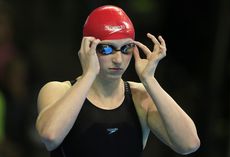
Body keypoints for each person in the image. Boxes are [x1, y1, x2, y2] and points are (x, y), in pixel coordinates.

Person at [35, 5, 200, 157]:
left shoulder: (139, 97)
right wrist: (89, 74)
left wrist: (150, 81)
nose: (119, 59)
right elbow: (50, 136)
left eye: (126, 48)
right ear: (88, 48)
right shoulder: (58, 91)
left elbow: (189, 144)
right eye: (107, 49)